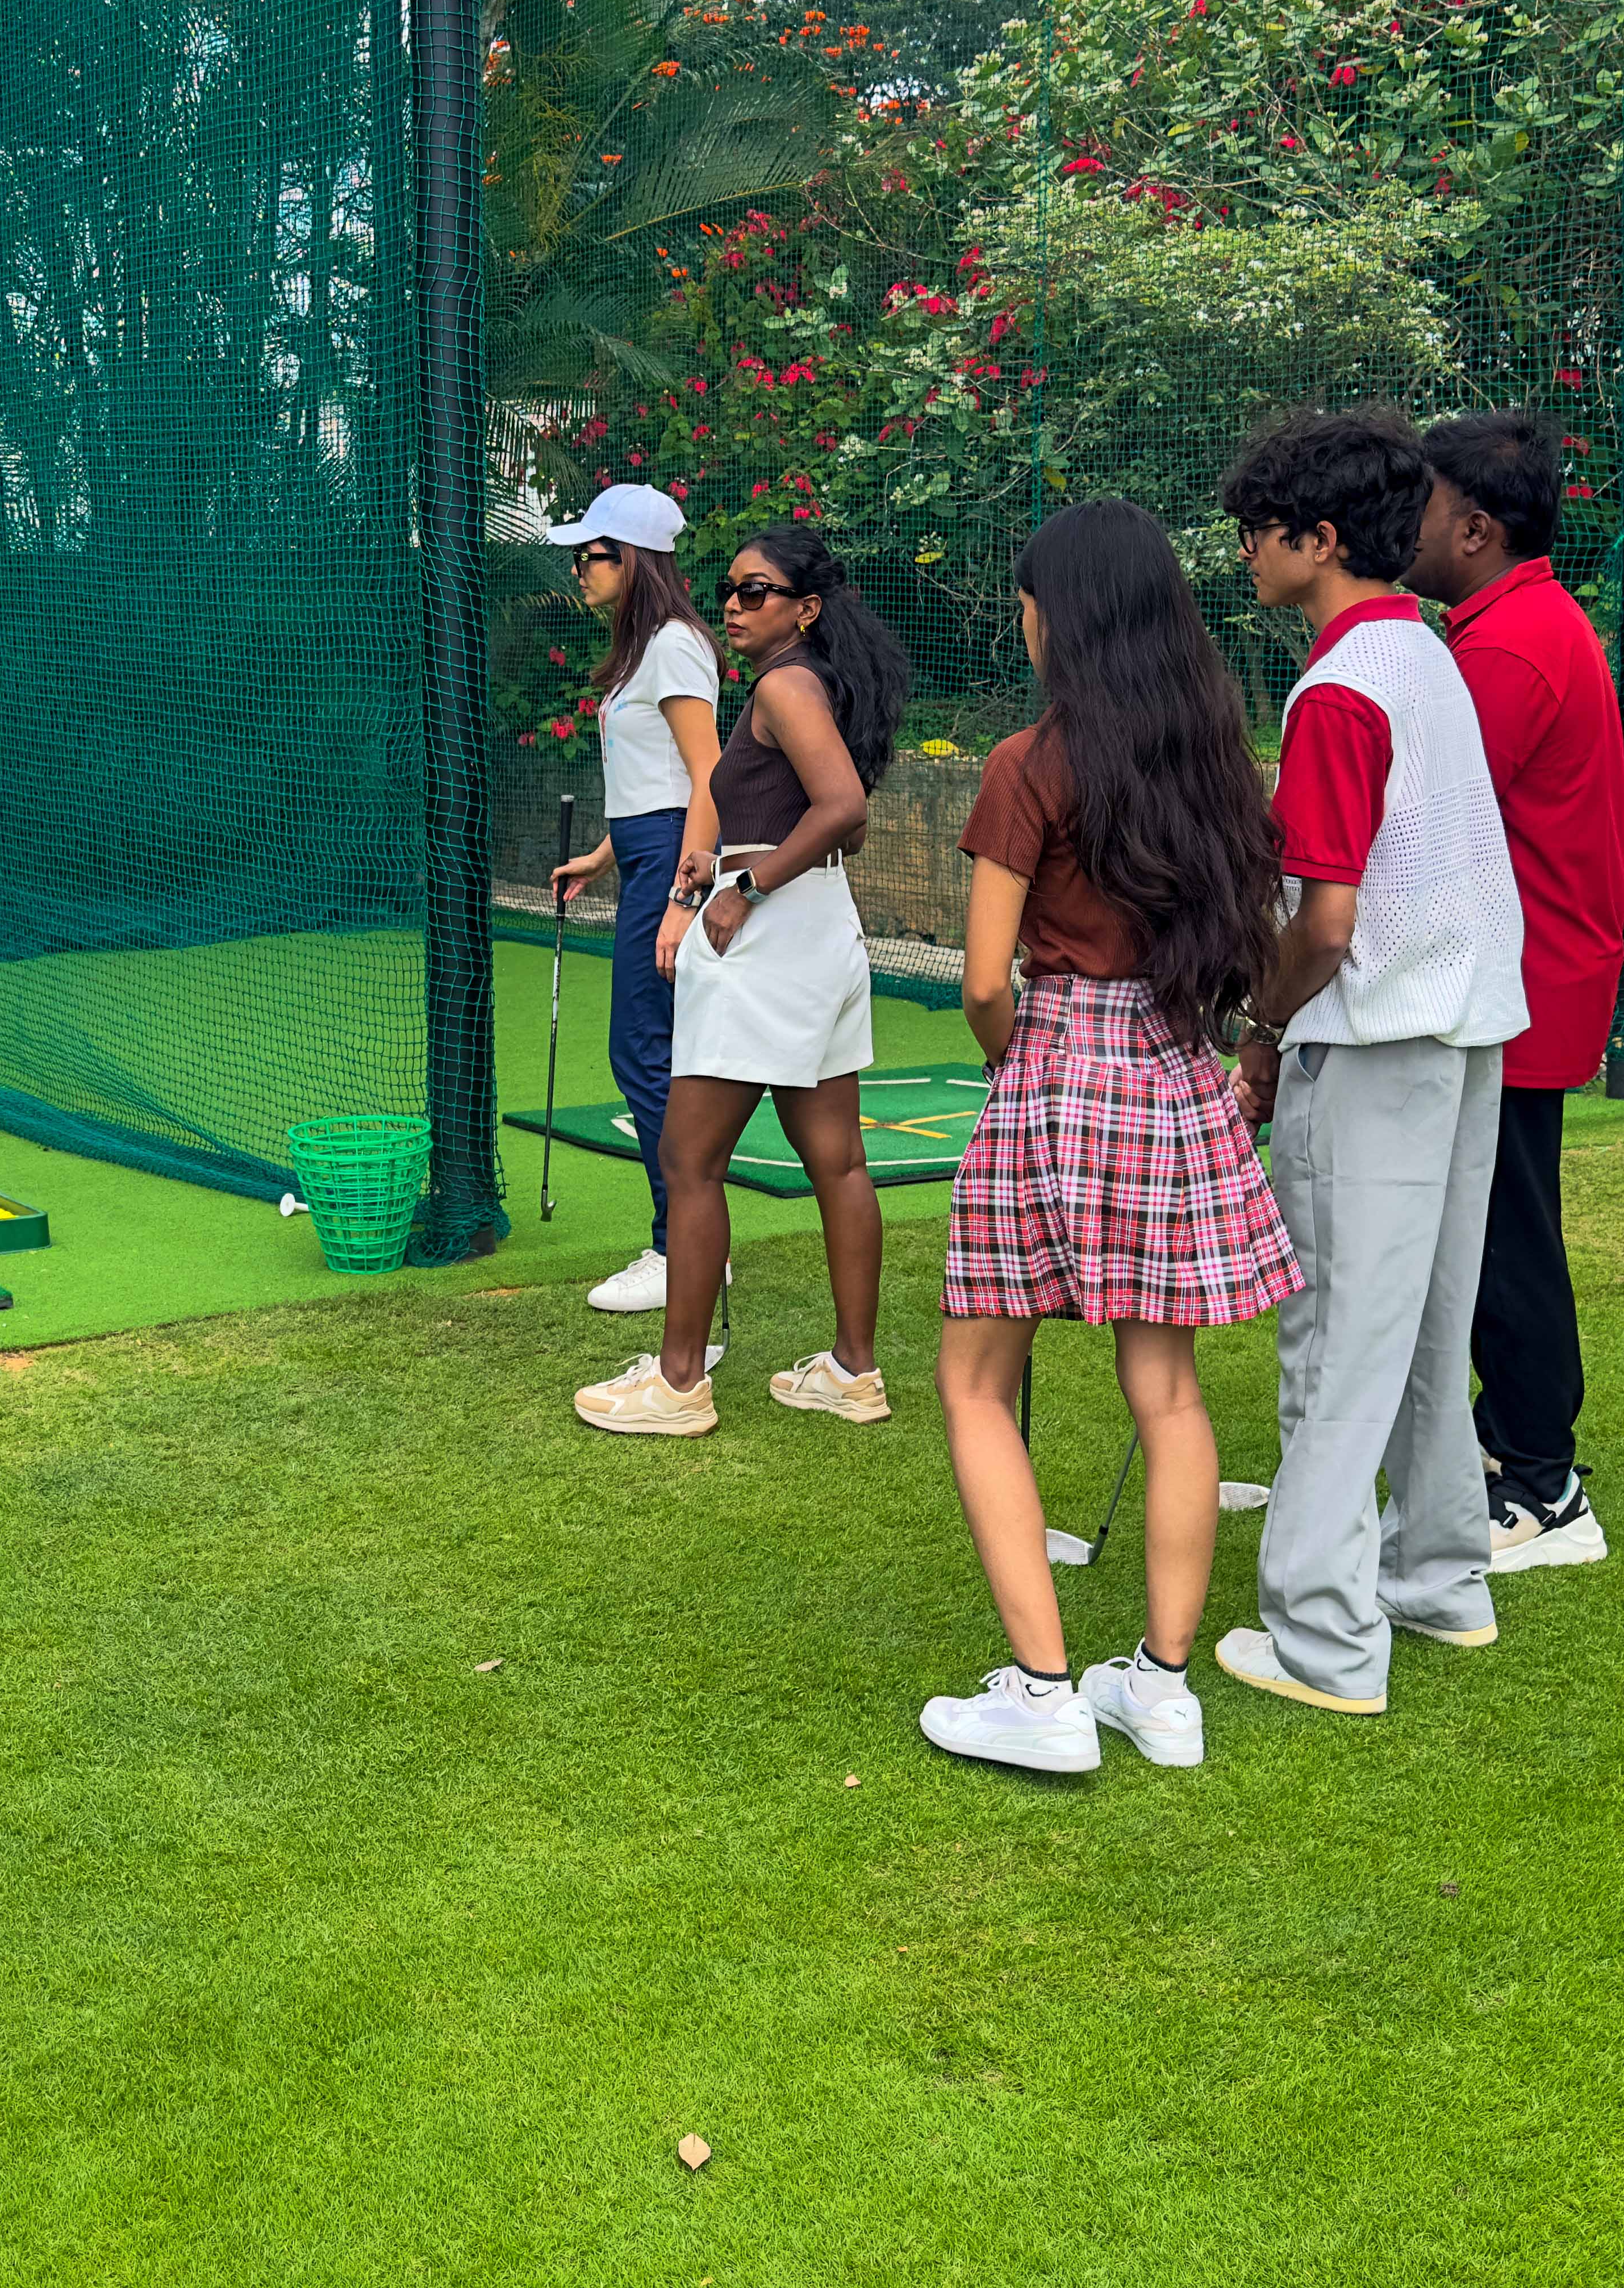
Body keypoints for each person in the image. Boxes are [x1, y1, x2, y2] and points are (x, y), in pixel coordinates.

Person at [915, 501, 1304, 1776]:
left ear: (1058, 616)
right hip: (1177, 1069)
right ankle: (1163, 1683)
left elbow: (984, 982)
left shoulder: (1033, 760)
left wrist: (1015, 1069)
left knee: (976, 1383)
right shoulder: (1211, 757)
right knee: (1170, 1391)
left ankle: (1041, 1690)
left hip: (1062, 1064)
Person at [1210, 411, 1527, 1720]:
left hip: (1382, 1040)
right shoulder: (1429, 654)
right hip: (1462, 1039)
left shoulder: (1342, 685)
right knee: (1421, 1327)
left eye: (1257, 532)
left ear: (1318, 538)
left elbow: (1325, 922)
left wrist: (1260, 1031)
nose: (1243, 555)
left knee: (1341, 1334)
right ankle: (1440, 1576)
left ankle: (1325, 1638)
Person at [574, 527, 912, 1437]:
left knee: (690, 1161)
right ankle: (851, 1371)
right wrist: (706, 876)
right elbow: (842, 829)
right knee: (836, 1158)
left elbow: (846, 810)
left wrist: (746, 889)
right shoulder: (806, 685)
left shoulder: (784, 685)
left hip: (769, 935)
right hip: (817, 930)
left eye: (756, 591)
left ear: (805, 607)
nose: (733, 603)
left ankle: (678, 1384)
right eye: (729, 589)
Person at [1410, 411, 1624, 1572]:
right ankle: (1506, 1448)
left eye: (1427, 509)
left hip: (1522, 979)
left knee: (1506, 1235)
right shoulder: (1513, 622)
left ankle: (1545, 1486)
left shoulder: (1508, 645)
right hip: (1528, 969)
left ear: (1476, 529)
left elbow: (1427, 817)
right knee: (1493, 1223)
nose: (1409, 528)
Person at [542, 483, 727, 1314]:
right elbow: (652, 786)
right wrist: (604, 856)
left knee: (646, 1052)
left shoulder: (675, 647)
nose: (580, 569)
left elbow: (707, 775)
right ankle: (684, 1242)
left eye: (593, 555)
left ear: (634, 559)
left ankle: (678, 1247)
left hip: (675, 864)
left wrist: (685, 891)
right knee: (649, 1052)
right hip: (649, 851)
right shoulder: (644, 648)